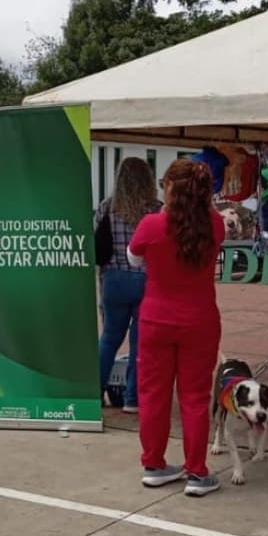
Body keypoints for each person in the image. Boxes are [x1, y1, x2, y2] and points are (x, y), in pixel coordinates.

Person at [127, 159, 224, 498]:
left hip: (155, 318)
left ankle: (153, 464)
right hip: (200, 319)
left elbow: (134, 259)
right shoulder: (215, 224)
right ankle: (197, 472)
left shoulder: (150, 225)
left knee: (153, 394)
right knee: (195, 397)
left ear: (170, 187)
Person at [96, 158, 162, 414]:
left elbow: (98, 243)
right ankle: (133, 399)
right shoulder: (157, 209)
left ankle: (95, 393)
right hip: (147, 279)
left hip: (113, 278)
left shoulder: (107, 208)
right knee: (140, 342)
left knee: (110, 338)